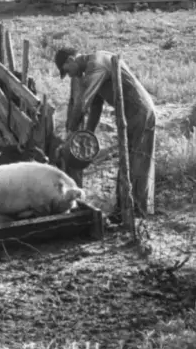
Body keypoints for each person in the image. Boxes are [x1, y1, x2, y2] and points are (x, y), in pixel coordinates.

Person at [54, 47, 156, 222]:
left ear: (71, 60)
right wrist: (86, 137)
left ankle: (137, 212)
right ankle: (123, 208)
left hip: (140, 111)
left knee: (138, 160)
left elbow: (83, 102)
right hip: (130, 114)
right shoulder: (92, 69)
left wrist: (71, 131)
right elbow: (95, 107)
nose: (69, 76)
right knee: (127, 161)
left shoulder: (96, 65)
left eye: (67, 70)